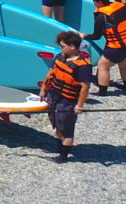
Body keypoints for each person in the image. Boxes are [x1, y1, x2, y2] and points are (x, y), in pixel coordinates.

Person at [39, 31, 94, 163]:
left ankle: (63, 156)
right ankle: (59, 147)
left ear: (72, 47)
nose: (61, 48)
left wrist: (79, 105)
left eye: (63, 46)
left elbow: (85, 87)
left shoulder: (83, 66)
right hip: (54, 94)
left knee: (66, 127)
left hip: (68, 100)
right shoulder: (60, 57)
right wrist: (43, 90)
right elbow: (51, 73)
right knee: (57, 124)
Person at [90, 0, 126, 94]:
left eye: (94, 1)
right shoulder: (120, 6)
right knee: (124, 64)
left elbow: (96, 36)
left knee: (103, 66)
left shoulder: (101, 16)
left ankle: (102, 92)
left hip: (118, 46)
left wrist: (83, 36)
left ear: (99, 2)